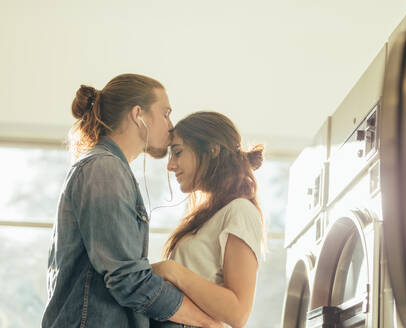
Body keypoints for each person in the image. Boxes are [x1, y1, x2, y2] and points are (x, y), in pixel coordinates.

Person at [42, 74, 222, 328]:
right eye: (165, 113)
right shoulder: (104, 169)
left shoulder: (110, 168)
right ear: (139, 115)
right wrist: (209, 323)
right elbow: (129, 281)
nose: (171, 126)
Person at [151, 111, 266, 328]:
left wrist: (172, 271)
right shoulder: (210, 215)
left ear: (212, 150)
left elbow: (238, 312)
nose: (170, 165)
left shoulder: (240, 211)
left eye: (177, 152)